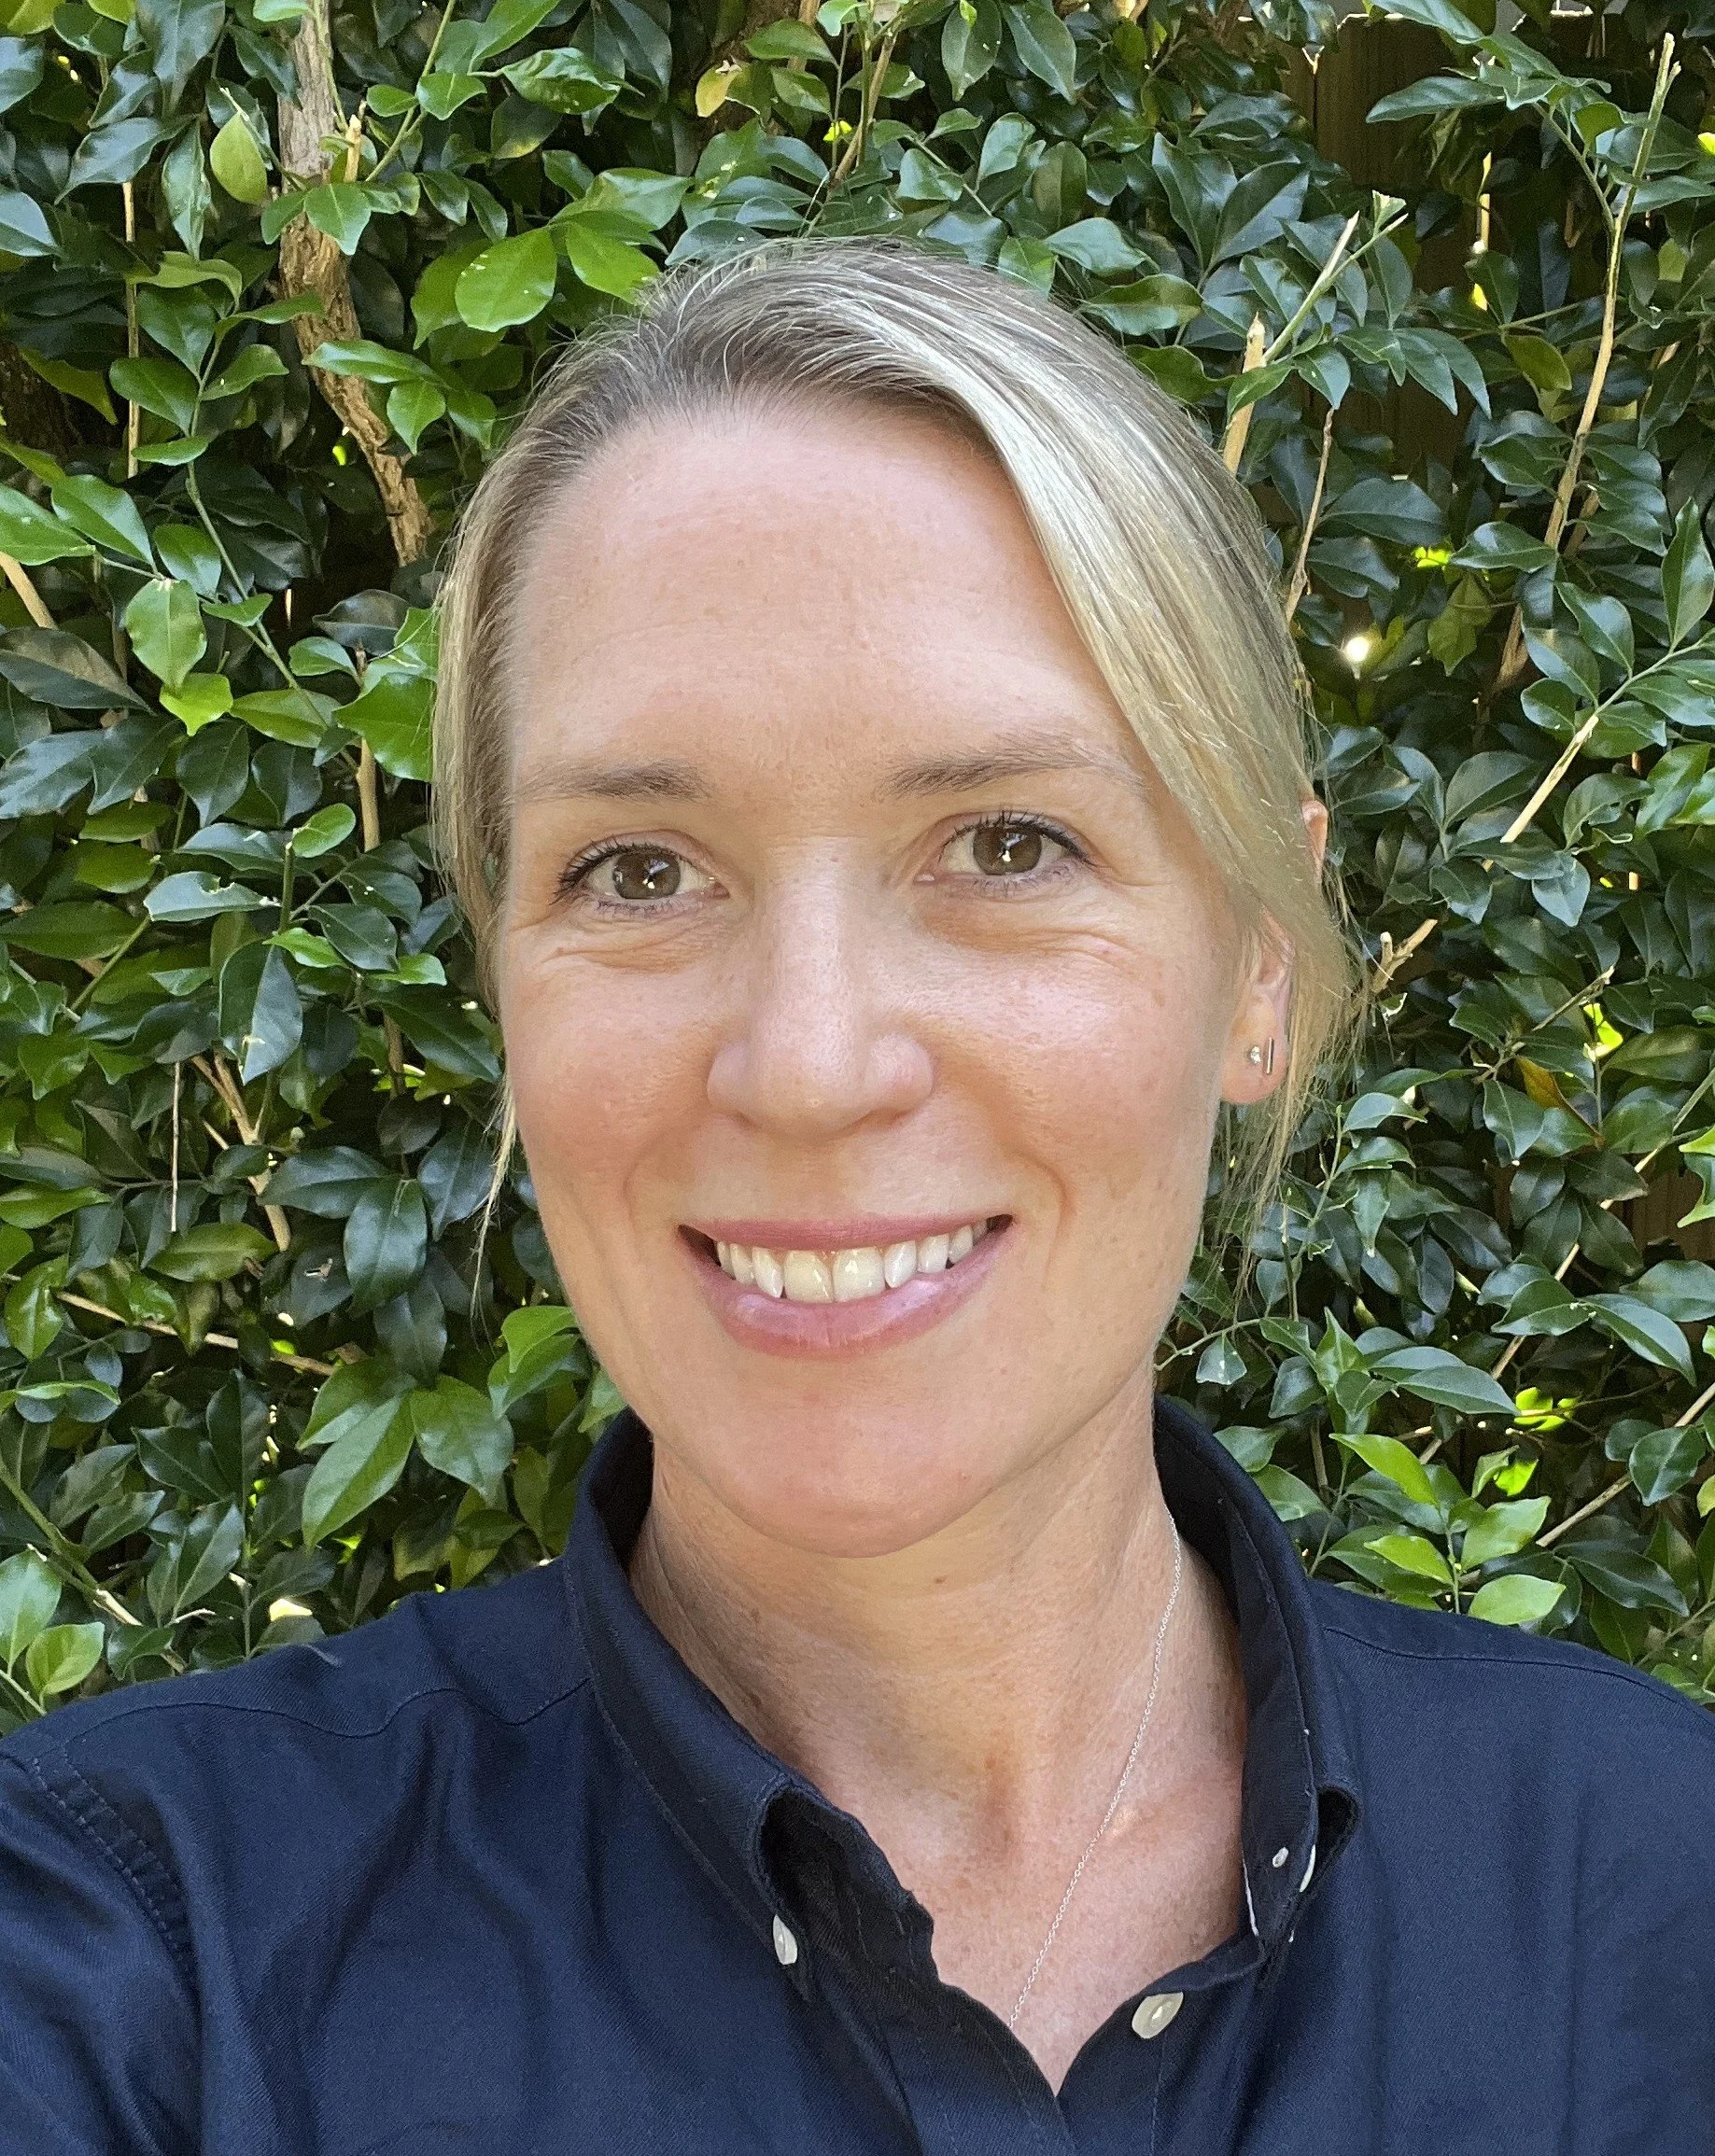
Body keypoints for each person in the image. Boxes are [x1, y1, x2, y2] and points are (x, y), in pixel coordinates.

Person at [2, 232, 1711, 2154]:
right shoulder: (132, 1975)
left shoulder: (1659, 1908)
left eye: (1006, 842)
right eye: (638, 871)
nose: (810, 1065)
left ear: (1258, 968)